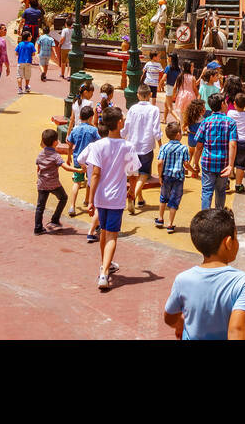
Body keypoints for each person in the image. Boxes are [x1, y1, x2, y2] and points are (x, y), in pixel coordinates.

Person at [163, 208, 245, 340]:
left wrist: (179, 323)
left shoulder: (183, 279)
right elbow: (237, 329)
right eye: (236, 237)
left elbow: (169, 317)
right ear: (228, 243)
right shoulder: (244, 282)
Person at [80, 106, 139, 291]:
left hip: (100, 197)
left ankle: (105, 263)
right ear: (119, 123)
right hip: (116, 197)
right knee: (112, 235)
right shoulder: (127, 146)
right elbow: (133, 173)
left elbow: (95, 173)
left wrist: (90, 199)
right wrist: (131, 190)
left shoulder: (98, 145)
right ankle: (104, 272)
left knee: (103, 232)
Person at [190, 94, 237, 212]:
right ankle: (219, 216)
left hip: (207, 162)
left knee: (206, 191)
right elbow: (233, 144)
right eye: (225, 102)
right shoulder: (230, 123)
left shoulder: (206, 122)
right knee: (220, 191)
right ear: (222, 104)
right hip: (223, 163)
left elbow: (199, 145)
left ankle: (205, 218)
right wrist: (231, 165)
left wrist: (196, 163)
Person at [123, 84, 161, 214]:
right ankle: (133, 196)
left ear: (138, 95)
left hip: (132, 145)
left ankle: (139, 198)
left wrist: (121, 138)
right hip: (146, 146)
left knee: (134, 174)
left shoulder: (132, 108)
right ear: (150, 95)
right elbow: (156, 130)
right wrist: (161, 144)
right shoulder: (154, 110)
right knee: (144, 174)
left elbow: (126, 126)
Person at [35, 128, 78, 234]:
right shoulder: (56, 156)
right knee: (63, 198)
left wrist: (39, 179)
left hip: (42, 184)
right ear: (55, 142)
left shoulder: (40, 155)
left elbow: (38, 169)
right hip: (54, 184)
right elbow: (66, 167)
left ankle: (38, 228)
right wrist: (79, 170)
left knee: (40, 206)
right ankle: (55, 219)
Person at [155, 121, 191, 232]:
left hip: (166, 176)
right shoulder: (184, 149)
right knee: (174, 201)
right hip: (178, 178)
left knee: (163, 197)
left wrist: (160, 176)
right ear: (178, 135)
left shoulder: (164, 148)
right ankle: (170, 224)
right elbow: (186, 164)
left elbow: (160, 163)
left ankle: (160, 218)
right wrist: (193, 170)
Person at [66, 101, 99, 218]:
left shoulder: (75, 130)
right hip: (90, 161)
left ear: (80, 117)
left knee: (77, 182)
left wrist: (69, 156)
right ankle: (87, 200)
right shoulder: (94, 130)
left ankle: (72, 206)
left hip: (77, 159)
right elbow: (99, 142)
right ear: (91, 118)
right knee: (90, 182)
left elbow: (70, 144)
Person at [172, 61, 198, 127]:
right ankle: (188, 127)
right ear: (189, 68)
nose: (193, 68)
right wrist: (198, 96)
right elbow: (194, 89)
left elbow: (175, 87)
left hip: (181, 95)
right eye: (192, 66)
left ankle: (182, 128)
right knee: (189, 113)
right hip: (190, 96)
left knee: (181, 112)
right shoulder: (192, 78)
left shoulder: (180, 76)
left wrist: (173, 96)